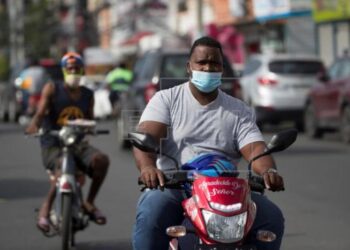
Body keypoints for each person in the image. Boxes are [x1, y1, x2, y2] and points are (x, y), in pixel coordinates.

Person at [132, 36, 285, 250]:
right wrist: (148, 167)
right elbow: (146, 138)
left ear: (222, 69)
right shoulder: (166, 99)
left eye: (214, 63)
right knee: (152, 213)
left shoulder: (238, 109)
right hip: (175, 186)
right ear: (189, 67)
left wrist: (268, 171)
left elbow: (256, 149)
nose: (207, 68)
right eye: (201, 62)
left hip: (226, 190)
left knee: (271, 217)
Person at [25, 52, 110, 233]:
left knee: (101, 160)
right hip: (53, 143)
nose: (73, 71)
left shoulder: (88, 94)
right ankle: (45, 209)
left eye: (77, 68)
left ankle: (89, 203)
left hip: (76, 144)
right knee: (61, 168)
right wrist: (34, 126)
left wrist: (91, 129)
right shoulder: (52, 88)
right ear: (64, 70)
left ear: (82, 70)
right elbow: (40, 113)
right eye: (69, 68)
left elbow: (89, 120)